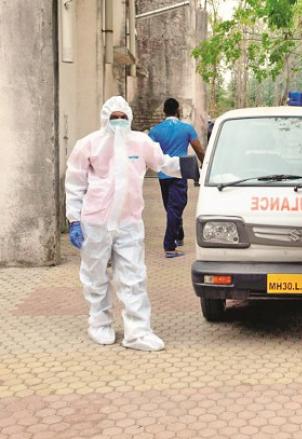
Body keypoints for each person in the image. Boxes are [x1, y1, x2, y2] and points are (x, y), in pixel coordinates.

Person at [65, 96, 200, 351]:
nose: (118, 122)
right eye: (113, 117)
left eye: (122, 117)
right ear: (105, 118)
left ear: (129, 118)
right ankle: (99, 323)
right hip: (95, 221)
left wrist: (190, 167)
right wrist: (74, 219)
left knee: (134, 277)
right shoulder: (88, 144)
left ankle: (137, 332)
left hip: (129, 222)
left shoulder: (141, 142)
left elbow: (163, 163)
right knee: (95, 275)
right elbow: (75, 183)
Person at [149, 98, 205, 258]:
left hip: (163, 173)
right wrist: (205, 165)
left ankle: (178, 234)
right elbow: (199, 150)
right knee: (176, 207)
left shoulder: (155, 131)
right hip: (180, 172)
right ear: (178, 111)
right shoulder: (186, 129)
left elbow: (149, 152)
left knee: (171, 207)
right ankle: (169, 247)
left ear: (164, 112)